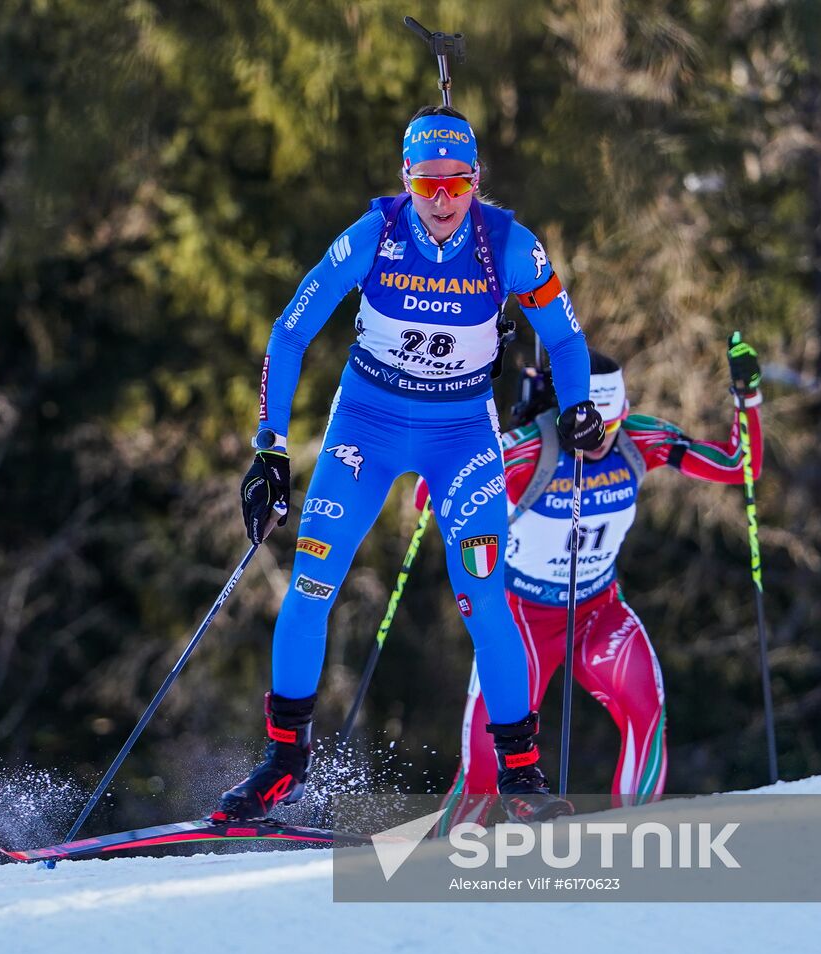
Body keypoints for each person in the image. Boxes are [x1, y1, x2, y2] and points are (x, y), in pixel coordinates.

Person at [218, 105, 607, 825]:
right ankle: (282, 765)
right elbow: (290, 329)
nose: (441, 201)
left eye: (456, 184)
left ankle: (521, 777)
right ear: (405, 179)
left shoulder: (509, 246)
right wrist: (269, 446)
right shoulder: (373, 235)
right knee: (310, 584)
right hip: (364, 428)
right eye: (427, 185)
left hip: (459, 433)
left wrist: (579, 405)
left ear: (475, 181)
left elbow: (567, 338)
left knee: (483, 595)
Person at [426, 338, 764, 832]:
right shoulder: (527, 450)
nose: (602, 438)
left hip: (597, 609)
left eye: (614, 422)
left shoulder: (638, 440)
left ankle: (634, 834)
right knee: (485, 766)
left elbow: (741, 466)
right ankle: (440, 851)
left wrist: (747, 399)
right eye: (592, 425)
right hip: (521, 619)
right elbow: (431, 492)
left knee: (645, 710)